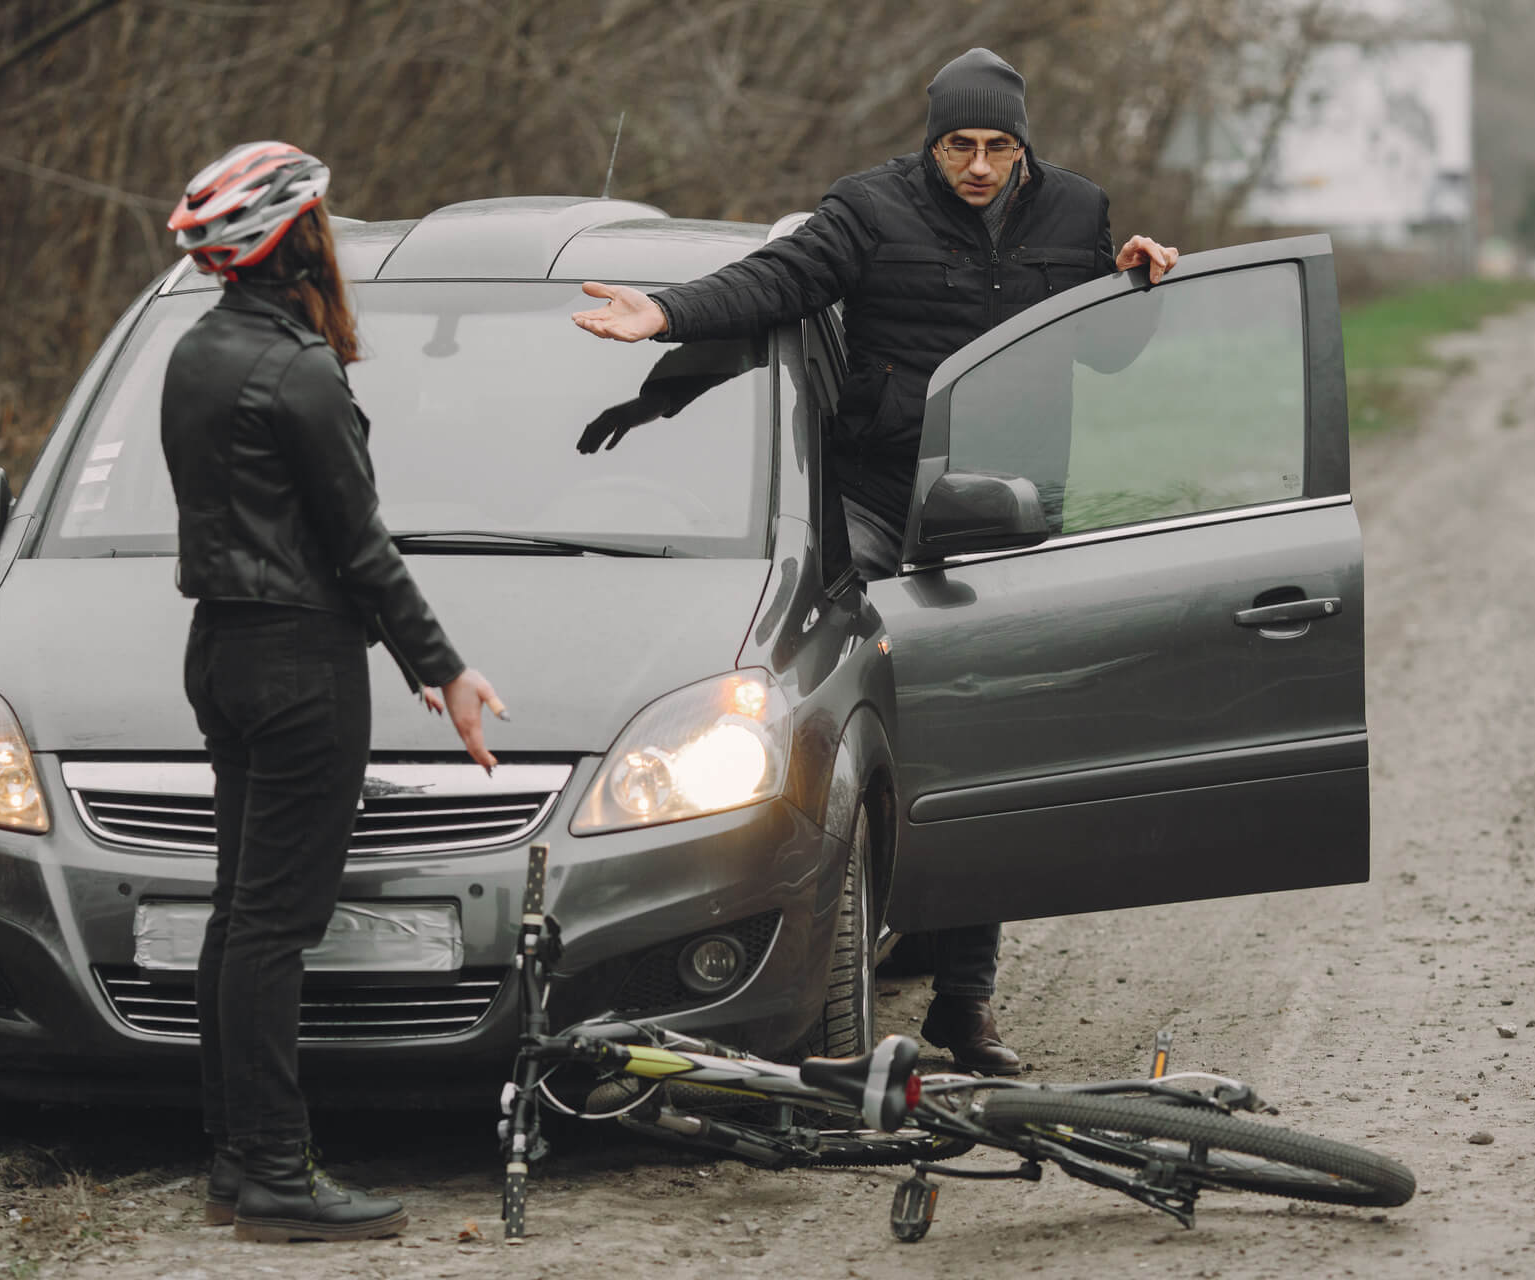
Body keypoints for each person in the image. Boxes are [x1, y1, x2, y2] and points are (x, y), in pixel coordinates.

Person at [573, 48, 1179, 1076]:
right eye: (958, 146)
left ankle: (965, 1000)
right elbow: (779, 279)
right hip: (876, 500)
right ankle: (796, 931)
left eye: (997, 147)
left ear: (1024, 148)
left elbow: (1104, 351)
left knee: (983, 744)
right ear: (929, 142)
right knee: (836, 698)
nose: (977, 166)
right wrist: (666, 312)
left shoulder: (1076, 211)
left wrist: (1138, 285)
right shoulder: (868, 208)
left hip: (1001, 510)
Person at [161, 141, 507, 1242]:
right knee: (274, 927)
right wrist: (444, 668)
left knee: (239, 913)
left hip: (220, 651)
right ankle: (275, 1173)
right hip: (301, 667)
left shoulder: (194, 352)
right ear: (299, 237)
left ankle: (234, 1159)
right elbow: (361, 550)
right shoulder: (299, 372)